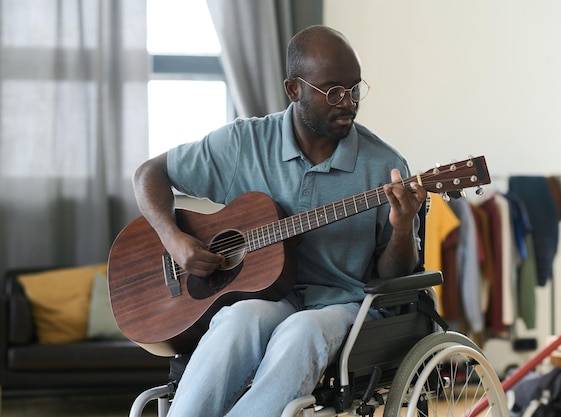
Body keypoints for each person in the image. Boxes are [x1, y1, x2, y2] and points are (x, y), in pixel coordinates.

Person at [132, 25, 427, 417]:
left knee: (300, 332)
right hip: (268, 297)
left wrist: (403, 226)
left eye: (355, 89)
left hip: (343, 303)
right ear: (294, 89)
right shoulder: (244, 144)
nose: (349, 103)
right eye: (333, 91)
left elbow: (394, 275)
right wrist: (173, 238)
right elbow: (148, 174)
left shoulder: (384, 165)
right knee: (236, 320)